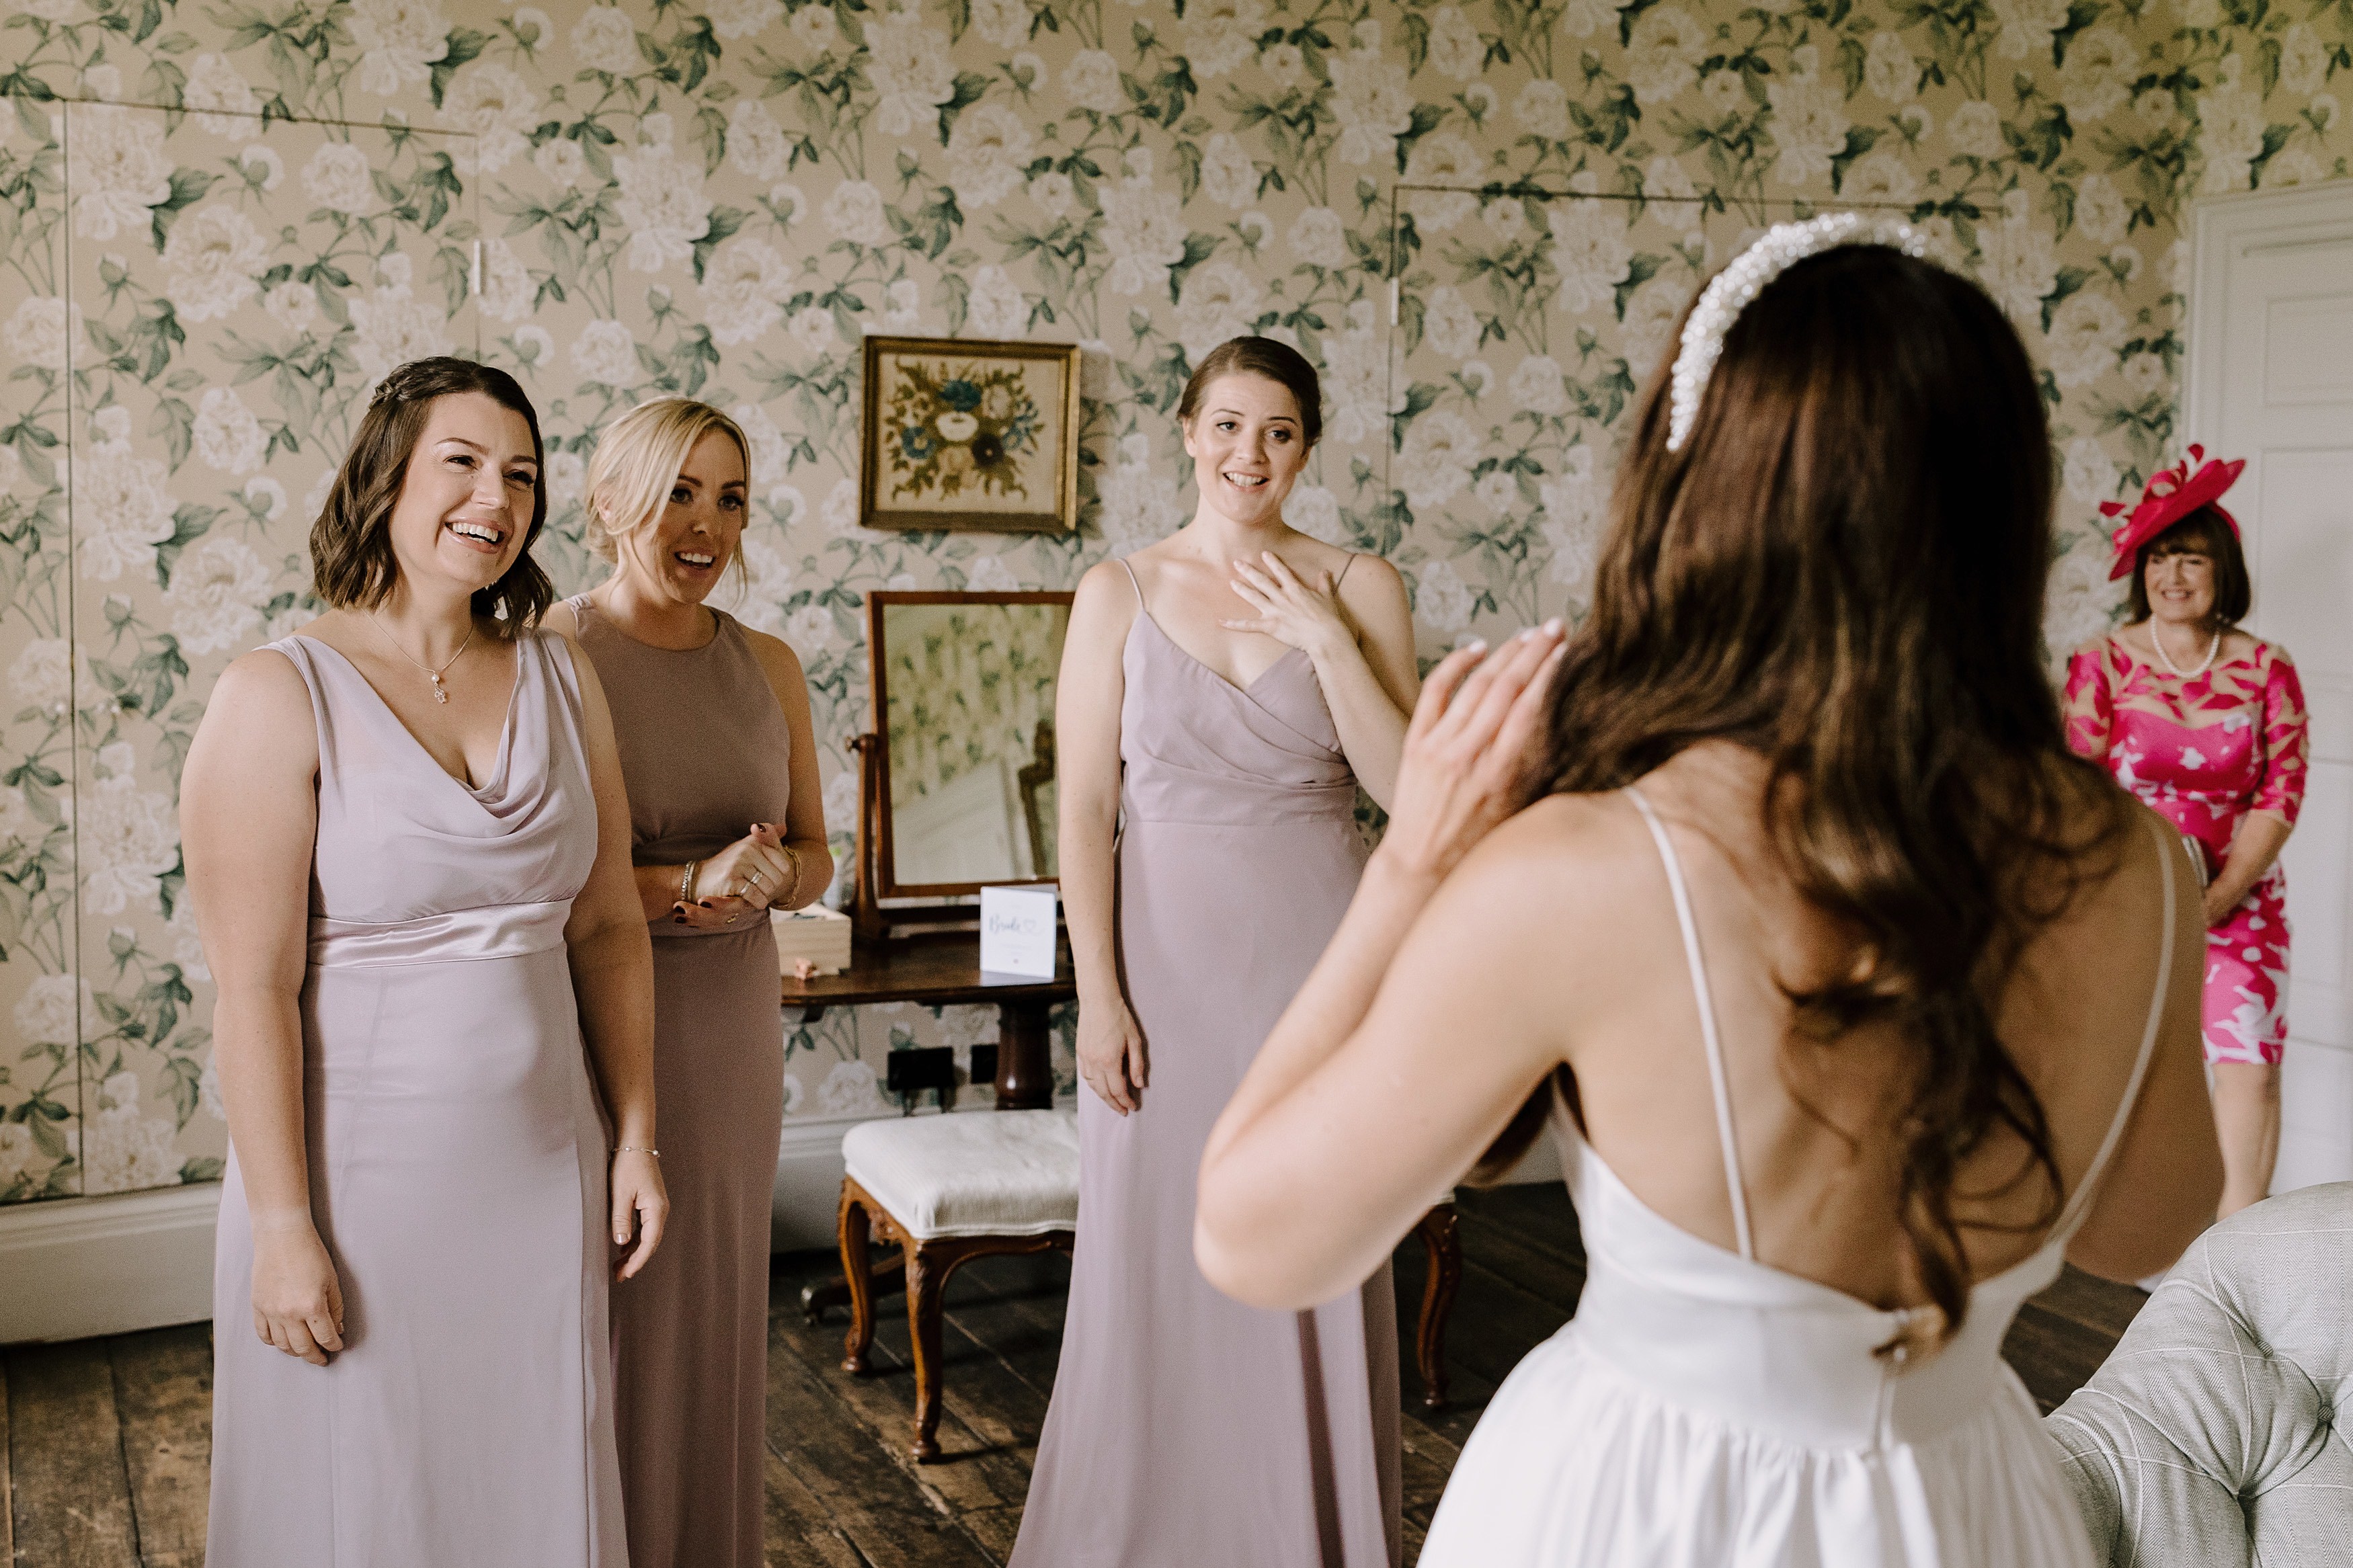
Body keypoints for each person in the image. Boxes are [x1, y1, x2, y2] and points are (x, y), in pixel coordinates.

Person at [1194, 216, 2223, 1565]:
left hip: (1645, 1505)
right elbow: (2151, 1225)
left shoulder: (1588, 867)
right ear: (1995, 504)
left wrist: (1410, 866)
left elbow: (1253, 1238)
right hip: (1962, 1506)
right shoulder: (2136, 859)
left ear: (1694, 496)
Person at [185, 357, 664, 1565]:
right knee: (366, 1494)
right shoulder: (275, 693)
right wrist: (287, 1224)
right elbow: (251, 986)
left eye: (522, 473)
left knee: (534, 1478)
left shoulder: (566, 674)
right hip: (355, 1185)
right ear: (386, 475)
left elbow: (607, 923)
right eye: (461, 460)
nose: (494, 496)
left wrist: (637, 1134)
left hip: (542, 1166)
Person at [1010, 336, 1420, 1568]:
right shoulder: (1118, 590)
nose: (1254, 454)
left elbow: (1409, 792)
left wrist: (1334, 640)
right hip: (1165, 971)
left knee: (1315, 1239)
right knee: (1162, 1255)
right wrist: (1101, 996)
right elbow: (1087, 809)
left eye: (1281, 431)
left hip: (1319, 964)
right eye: (1230, 426)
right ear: (1187, 431)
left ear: (1308, 446)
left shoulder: (1365, 584)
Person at [544, 397, 830, 1568]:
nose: (706, 523)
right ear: (611, 503)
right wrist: (681, 884)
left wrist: (772, 876)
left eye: (730, 498)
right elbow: (546, 883)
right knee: (609, 1309)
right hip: (593, 1023)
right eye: (679, 492)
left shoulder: (769, 662)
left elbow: (820, 852)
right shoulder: (550, 657)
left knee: (712, 1314)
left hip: (729, 1032)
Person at [2065, 449, 2307, 1217]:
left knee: (2249, 1072)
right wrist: (2148, 893)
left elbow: (2281, 789)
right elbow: (2080, 788)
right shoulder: (2098, 663)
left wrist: (2223, 891)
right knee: (2136, 1074)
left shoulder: (2267, 668)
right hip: (2128, 902)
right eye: (2157, 557)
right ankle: (2144, 1241)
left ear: (2220, 569)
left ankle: (2234, 1266)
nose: (2171, 574)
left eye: (2190, 557)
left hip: (2241, 900)